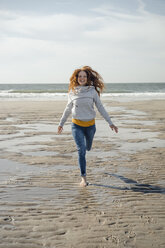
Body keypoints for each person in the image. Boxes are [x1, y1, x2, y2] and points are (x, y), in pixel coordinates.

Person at [58, 66, 118, 187]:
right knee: (81, 150)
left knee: (88, 147)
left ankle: (87, 146)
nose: (82, 78)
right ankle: (83, 178)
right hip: (76, 125)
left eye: (84, 76)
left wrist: (110, 122)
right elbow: (68, 108)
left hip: (90, 126)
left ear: (87, 78)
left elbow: (100, 107)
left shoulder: (92, 91)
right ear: (76, 78)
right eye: (80, 76)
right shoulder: (72, 92)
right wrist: (61, 123)